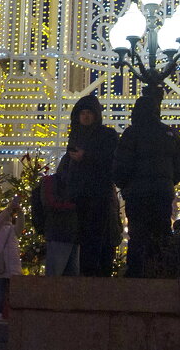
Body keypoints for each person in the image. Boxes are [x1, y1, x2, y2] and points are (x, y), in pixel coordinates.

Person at [112, 88, 180, 278]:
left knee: (137, 235)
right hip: (162, 192)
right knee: (161, 233)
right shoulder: (169, 133)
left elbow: (121, 164)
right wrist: (168, 182)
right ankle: (161, 271)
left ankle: (137, 274)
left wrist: (125, 185)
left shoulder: (132, 133)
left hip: (138, 194)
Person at [66, 93, 119, 277]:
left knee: (97, 242)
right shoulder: (75, 136)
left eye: (89, 112)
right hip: (78, 198)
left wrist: (85, 157)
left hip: (99, 198)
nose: (86, 116)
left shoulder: (107, 135)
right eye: (83, 113)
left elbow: (111, 161)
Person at [41, 155, 80, 276]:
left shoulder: (52, 182)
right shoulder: (57, 182)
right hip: (64, 233)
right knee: (65, 273)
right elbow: (52, 202)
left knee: (58, 273)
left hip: (62, 233)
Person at [0, 198, 23, 320]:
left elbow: (21, 225)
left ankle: (4, 314)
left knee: (6, 291)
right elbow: (0, 220)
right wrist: (9, 209)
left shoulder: (13, 229)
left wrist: (20, 212)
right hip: (2, 265)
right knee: (1, 290)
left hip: (10, 265)